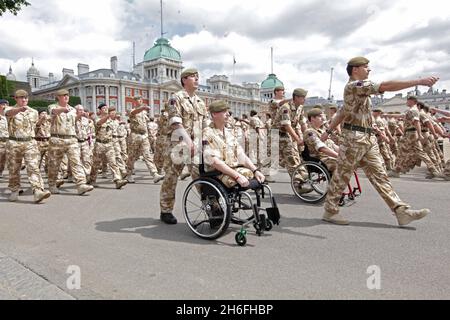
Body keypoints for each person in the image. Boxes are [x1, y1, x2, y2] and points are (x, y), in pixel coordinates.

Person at [321, 56, 438, 226]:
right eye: (366, 67)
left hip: (367, 139)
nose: (369, 70)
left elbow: (342, 112)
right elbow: (384, 86)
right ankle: (330, 211)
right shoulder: (355, 86)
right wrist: (418, 81)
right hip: (353, 138)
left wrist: (328, 131)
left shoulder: (358, 91)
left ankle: (400, 211)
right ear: (355, 69)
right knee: (342, 175)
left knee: (380, 175)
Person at [159, 68, 208, 224]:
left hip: (196, 145)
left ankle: (212, 209)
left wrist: (205, 142)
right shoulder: (176, 98)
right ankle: (165, 210)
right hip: (178, 144)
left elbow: (206, 125)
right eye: (193, 77)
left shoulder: (200, 102)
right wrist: (188, 141)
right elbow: (175, 122)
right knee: (171, 177)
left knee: (201, 176)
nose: (197, 79)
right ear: (184, 80)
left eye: (198, 77)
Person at [203, 100, 265, 188]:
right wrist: (237, 176)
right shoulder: (207, 133)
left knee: (255, 177)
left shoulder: (229, 133)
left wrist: (255, 170)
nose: (228, 114)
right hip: (217, 173)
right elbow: (213, 161)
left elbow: (241, 155)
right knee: (238, 180)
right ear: (214, 114)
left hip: (233, 169)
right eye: (224, 111)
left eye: (227, 111)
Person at [5, 90, 51, 203]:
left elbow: (35, 126)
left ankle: (37, 191)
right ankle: (14, 190)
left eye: (25, 97)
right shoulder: (9, 109)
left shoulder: (34, 112)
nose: (24, 100)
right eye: (21, 98)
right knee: (14, 169)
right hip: (14, 143)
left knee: (33, 166)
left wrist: (41, 120)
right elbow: (8, 114)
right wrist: (19, 110)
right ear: (16, 98)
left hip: (30, 142)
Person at [47, 89, 94, 195]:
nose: (66, 97)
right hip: (57, 139)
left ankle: (81, 184)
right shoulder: (53, 106)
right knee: (54, 164)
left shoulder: (73, 109)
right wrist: (62, 110)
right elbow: (54, 112)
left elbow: (73, 121)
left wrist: (81, 116)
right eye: (63, 95)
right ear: (58, 97)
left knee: (76, 161)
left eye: (67, 95)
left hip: (72, 139)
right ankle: (52, 184)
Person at [89, 104, 128, 189]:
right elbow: (99, 123)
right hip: (99, 144)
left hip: (109, 144)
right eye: (103, 108)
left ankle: (118, 180)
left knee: (113, 163)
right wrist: (107, 116)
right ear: (99, 110)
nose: (105, 109)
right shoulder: (97, 119)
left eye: (106, 108)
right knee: (96, 164)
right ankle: (92, 179)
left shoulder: (111, 121)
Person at [126, 96, 162, 183]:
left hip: (144, 136)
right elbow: (134, 112)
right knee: (132, 156)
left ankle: (154, 174)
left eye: (141, 99)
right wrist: (142, 108)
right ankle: (129, 174)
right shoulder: (132, 111)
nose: (141, 101)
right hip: (135, 135)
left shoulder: (144, 113)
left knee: (147, 155)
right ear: (135, 102)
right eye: (138, 100)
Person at [303, 108, 339, 174]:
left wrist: (346, 153)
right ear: (312, 118)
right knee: (343, 165)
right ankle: (335, 184)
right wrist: (338, 156)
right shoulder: (309, 132)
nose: (323, 118)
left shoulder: (322, 132)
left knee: (348, 162)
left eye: (323, 116)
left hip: (328, 158)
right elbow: (322, 148)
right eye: (320, 116)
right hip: (319, 160)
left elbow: (333, 146)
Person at [0, 99, 9, 179]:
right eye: (3, 104)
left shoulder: (8, 117)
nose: (5, 106)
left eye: (6, 105)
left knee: (3, 160)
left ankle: (0, 171)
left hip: (7, 141)